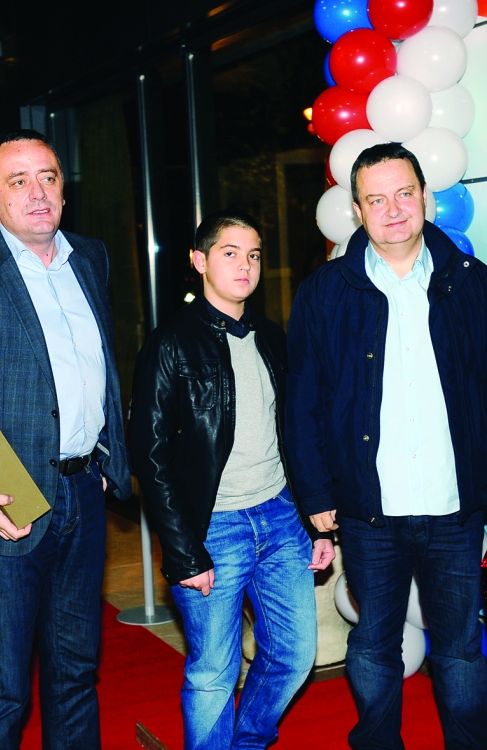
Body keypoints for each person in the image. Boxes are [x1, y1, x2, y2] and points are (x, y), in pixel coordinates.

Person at [285, 142, 487, 750]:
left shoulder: (474, 284)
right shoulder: (323, 292)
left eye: (404, 194)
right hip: (368, 508)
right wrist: (316, 494)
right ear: (357, 210)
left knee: (460, 650)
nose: (393, 209)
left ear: (426, 198)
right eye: (376, 199)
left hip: (456, 506)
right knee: (373, 645)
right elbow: (302, 402)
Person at [130, 210, 335, 750]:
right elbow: (149, 456)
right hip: (213, 528)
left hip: (281, 517)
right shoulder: (169, 344)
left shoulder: (271, 336)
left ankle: (246, 743)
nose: (245, 265)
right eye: (230, 253)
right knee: (213, 672)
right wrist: (184, 552)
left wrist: (314, 522)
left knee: (293, 654)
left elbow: (298, 434)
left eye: (254, 255)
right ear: (199, 261)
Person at [0, 129, 131, 749]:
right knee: (3, 689)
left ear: (64, 191)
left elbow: (98, 367)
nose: (37, 192)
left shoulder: (90, 258)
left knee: (75, 672)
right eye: (17, 181)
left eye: (47, 177)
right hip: (7, 500)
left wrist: (108, 457)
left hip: (84, 491)